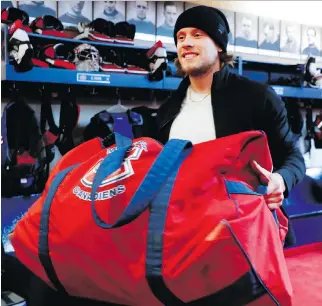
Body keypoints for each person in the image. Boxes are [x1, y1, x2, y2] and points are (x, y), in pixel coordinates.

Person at [156, 5, 305, 246]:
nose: (186, 43)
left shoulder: (257, 97)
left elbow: (293, 157)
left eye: (197, 35)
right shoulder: (168, 110)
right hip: (188, 236)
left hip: (249, 236)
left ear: (219, 45)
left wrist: (280, 180)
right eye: (180, 37)